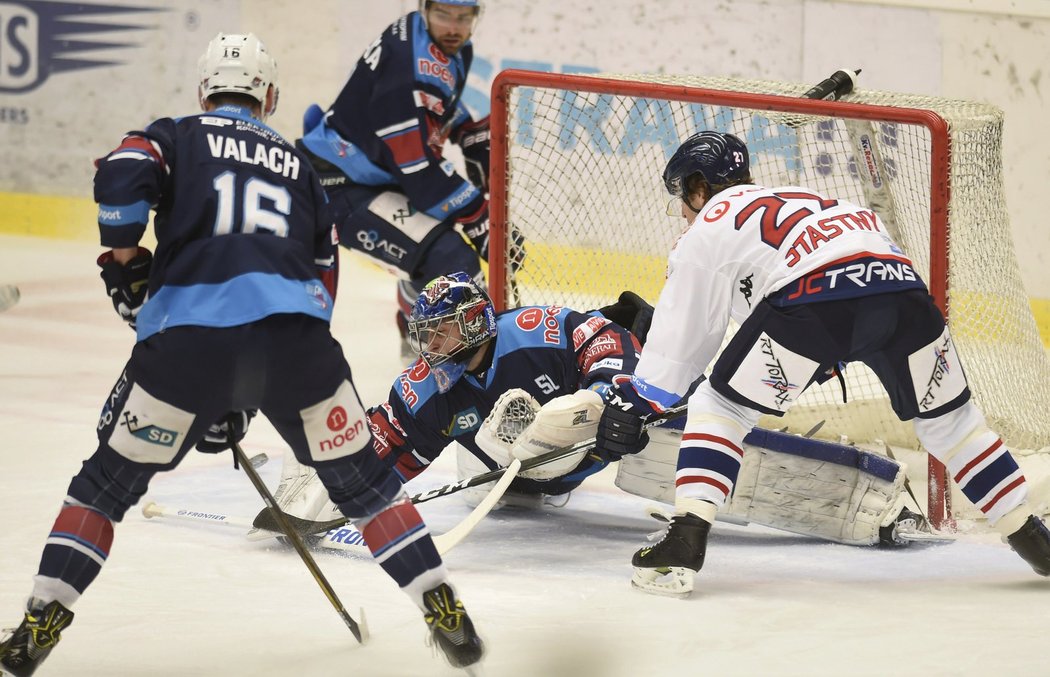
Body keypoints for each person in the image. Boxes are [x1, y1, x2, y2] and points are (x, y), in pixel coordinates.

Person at [0, 34, 483, 675]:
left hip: (187, 351)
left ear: (205, 91)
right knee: (368, 489)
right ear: (271, 98)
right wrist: (254, 386)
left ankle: (44, 617)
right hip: (301, 351)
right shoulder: (300, 166)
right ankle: (438, 601)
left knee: (103, 488)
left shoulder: (174, 135)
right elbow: (322, 283)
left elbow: (120, 176)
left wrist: (123, 260)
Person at [595, 130, 1050, 596]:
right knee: (953, 423)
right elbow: (824, 282)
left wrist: (637, 398)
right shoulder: (817, 200)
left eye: (683, 199)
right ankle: (1031, 536)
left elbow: (682, 348)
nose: (685, 213)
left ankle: (684, 540)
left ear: (697, 188)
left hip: (815, 303)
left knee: (721, 406)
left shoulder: (711, 221)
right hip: (905, 295)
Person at [258, 273, 924, 551]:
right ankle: (546, 435)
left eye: (437, 332)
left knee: (673, 445)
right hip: (512, 472)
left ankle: (863, 504)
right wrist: (327, 482)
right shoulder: (425, 387)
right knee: (525, 419)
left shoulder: (533, 327)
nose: (426, 346)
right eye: (422, 334)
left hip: (597, 432)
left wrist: (611, 393)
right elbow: (386, 444)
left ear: (470, 322)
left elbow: (600, 340)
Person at [297, 0, 512, 360]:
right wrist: (479, 216)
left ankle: (415, 329)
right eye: (444, 14)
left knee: (438, 242)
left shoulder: (433, 40)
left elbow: (432, 102)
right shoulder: (406, 69)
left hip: (376, 172)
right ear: (425, 8)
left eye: (464, 16)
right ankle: (430, 365)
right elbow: (420, 172)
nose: (454, 27)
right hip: (340, 185)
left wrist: (464, 130)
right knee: (451, 262)